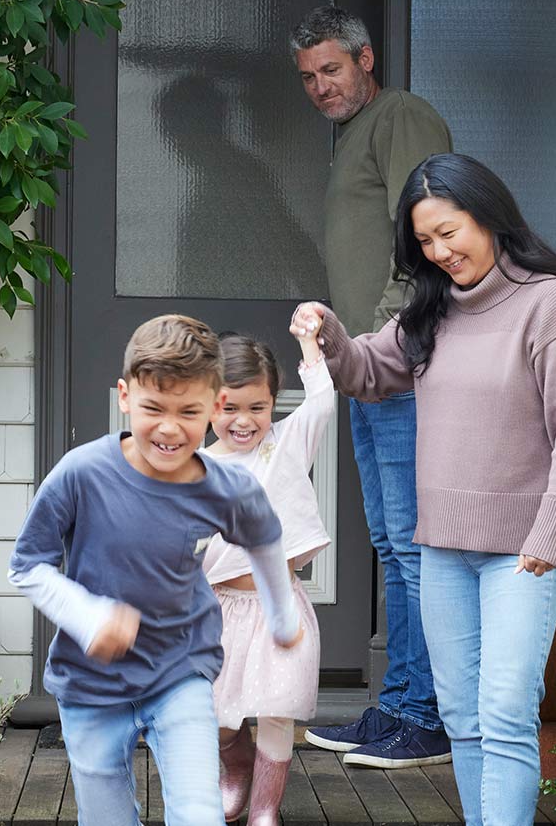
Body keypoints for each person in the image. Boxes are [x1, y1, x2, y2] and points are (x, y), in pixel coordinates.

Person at [291, 153, 556, 824]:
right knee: (462, 715)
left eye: (450, 232)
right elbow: (369, 373)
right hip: (442, 551)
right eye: (425, 241)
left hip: (524, 549)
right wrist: (331, 333)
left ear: (490, 216)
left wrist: (555, 530)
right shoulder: (432, 308)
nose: (440, 251)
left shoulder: (549, 305)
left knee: (506, 710)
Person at [7, 314, 304, 825]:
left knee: (198, 813)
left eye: (188, 411)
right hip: (90, 683)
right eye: (153, 409)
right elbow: (27, 566)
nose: (169, 428)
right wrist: (88, 615)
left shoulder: (223, 486)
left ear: (214, 407)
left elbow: (266, 541)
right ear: (125, 396)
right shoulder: (83, 473)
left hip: (180, 671)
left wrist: (281, 617)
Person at [291, 4, 455, 769]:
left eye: (332, 68)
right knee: (394, 545)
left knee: (414, 548)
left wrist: (386, 336)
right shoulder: (350, 134)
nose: (321, 86)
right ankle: (398, 707)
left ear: (366, 58)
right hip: (365, 370)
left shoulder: (400, 115)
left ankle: (423, 717)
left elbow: (429, 229)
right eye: (309, 77)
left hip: (401, 365)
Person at [201, 330, 335, 824]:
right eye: (229, 407)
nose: (243, 420)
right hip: (219, 612)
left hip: (279, 607)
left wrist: (309, 345)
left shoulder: (284, 446)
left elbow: (322, 401)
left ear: (274, 403)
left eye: (257, 407)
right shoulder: (198, 466)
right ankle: (234, 764)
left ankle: (264, 809)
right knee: (218, 712)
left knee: (276, 710)